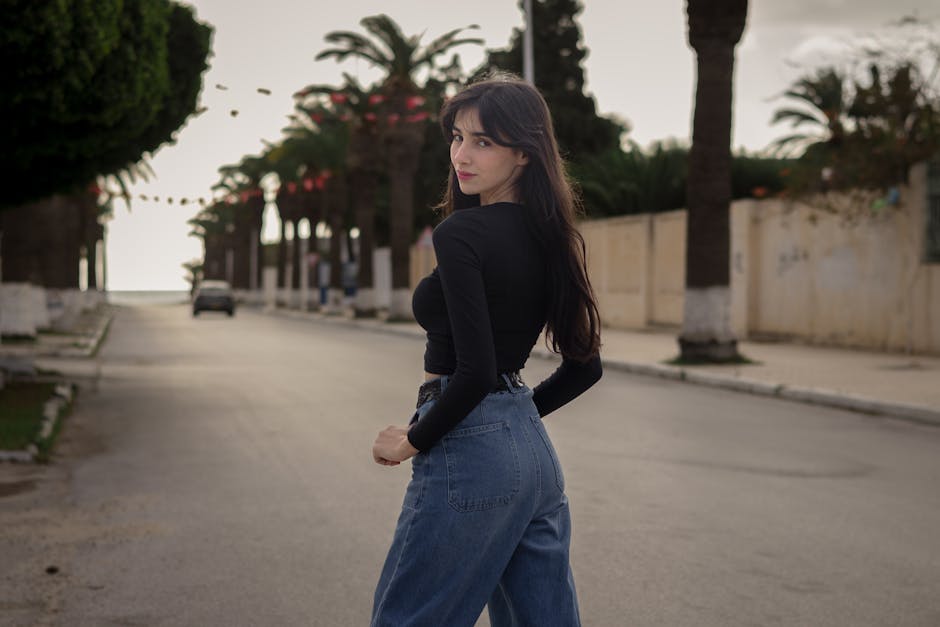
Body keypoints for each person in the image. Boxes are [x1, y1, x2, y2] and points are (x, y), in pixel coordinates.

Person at [370, 73, 603, 627]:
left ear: (523, 154)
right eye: (456, 137)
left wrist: (414, 440)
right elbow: (584, 368)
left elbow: (473, 373)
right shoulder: (554, 237)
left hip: (472, 449)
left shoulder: (462, 234)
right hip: (535, 458)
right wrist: (512, 422)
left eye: (483, 141)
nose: (461, 155)